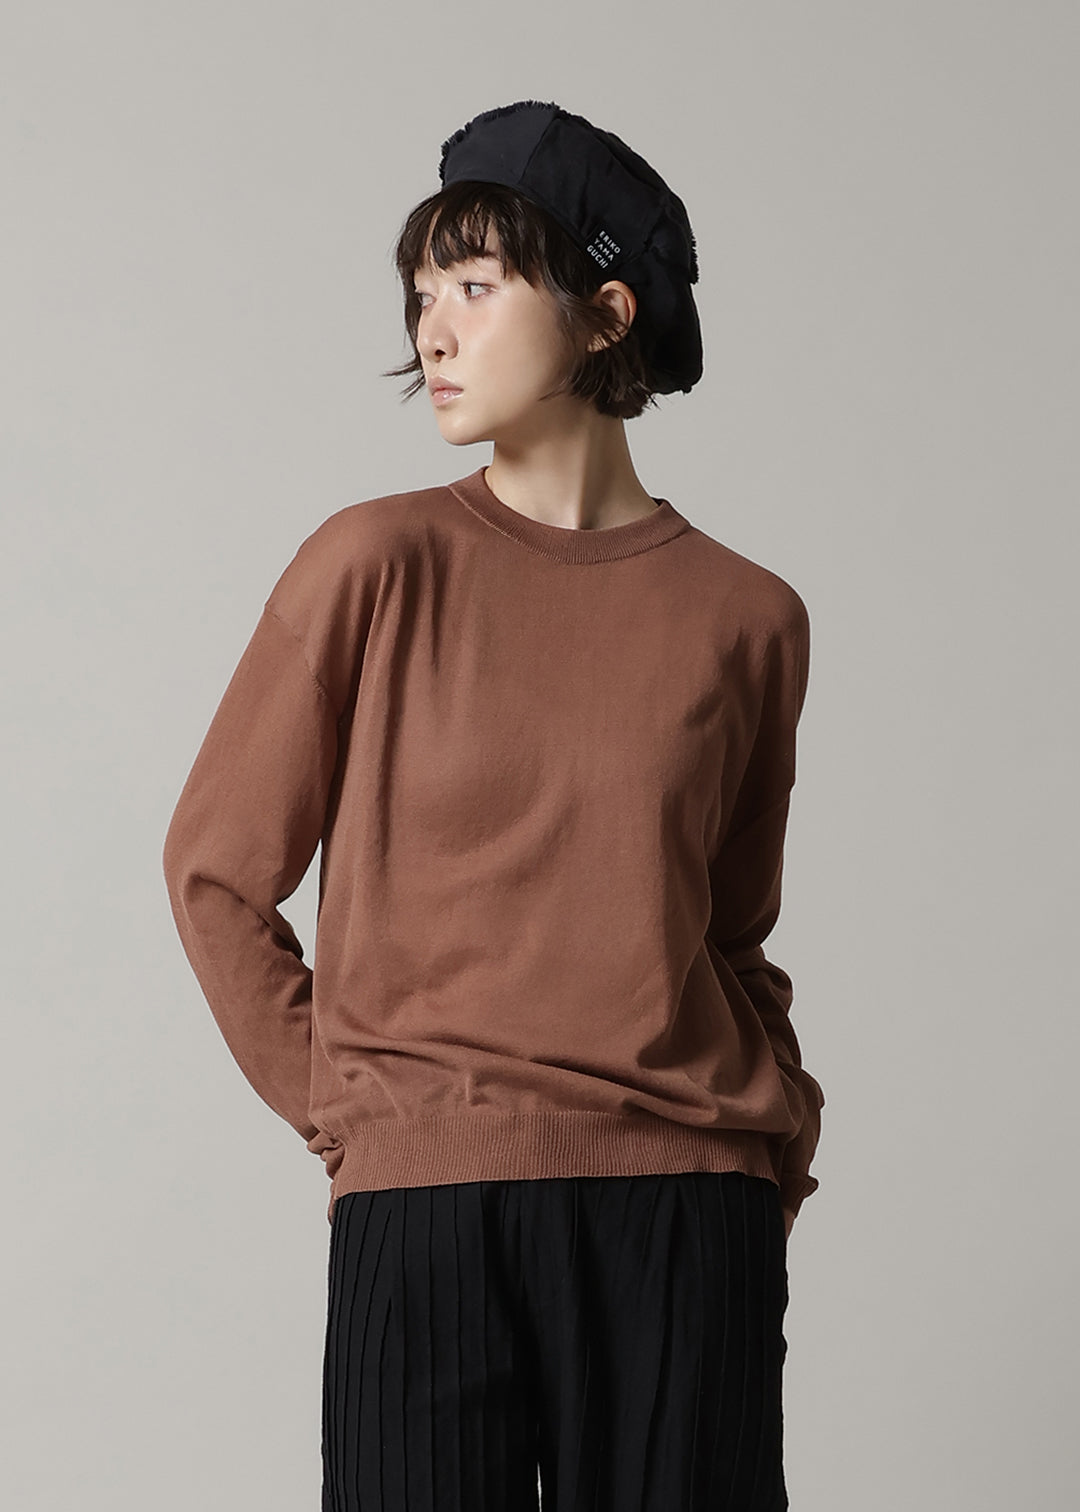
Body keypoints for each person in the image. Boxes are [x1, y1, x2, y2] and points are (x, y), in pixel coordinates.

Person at [162, 98, 825, 1512]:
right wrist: (353, 1108)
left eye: (474, 285)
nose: (434, 332)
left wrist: (777, 1133)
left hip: (685, 1203)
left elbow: (729, 933)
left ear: (604, 315)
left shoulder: (749, 619)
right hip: (429, 1204)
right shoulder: (373, 564)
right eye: (421, 295)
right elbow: (215, 872)